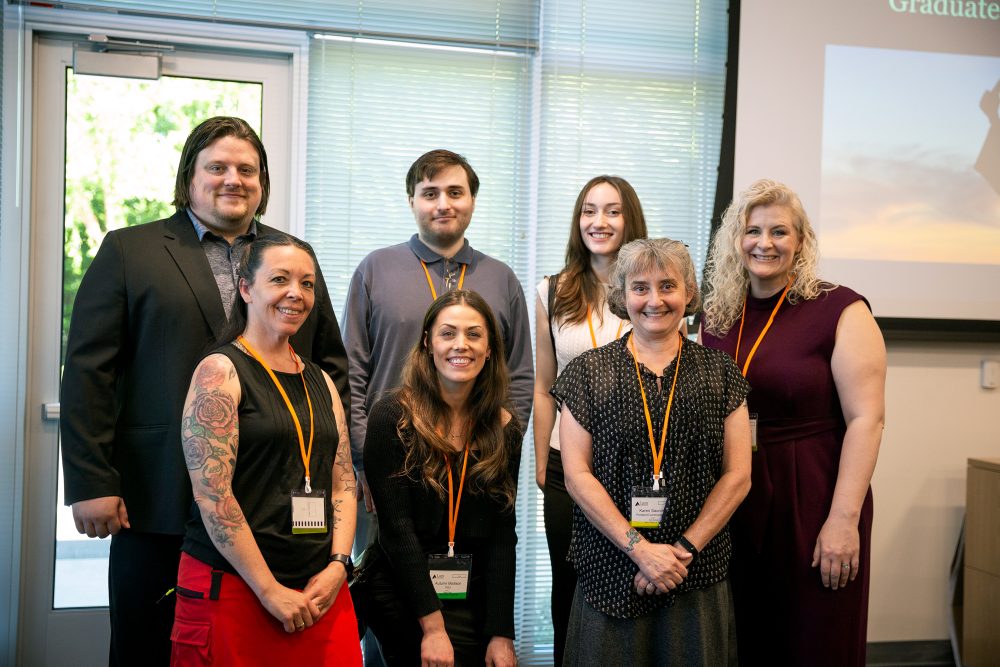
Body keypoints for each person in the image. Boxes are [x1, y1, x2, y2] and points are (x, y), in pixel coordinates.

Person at [60, 116, 350, 666]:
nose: (232, 179)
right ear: (189, 177)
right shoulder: (130, 250)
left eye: (247, 169)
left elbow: (329, 368)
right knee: (149, 647)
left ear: (263, 182)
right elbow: (88, 372)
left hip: (278, 506)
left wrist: (335, 481)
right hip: (156, 499)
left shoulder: (293, 259)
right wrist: (91, 480)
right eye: (216, 167)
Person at [341, 149, 532, 661]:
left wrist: (489, 451)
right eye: (430, 193)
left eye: (455, 191)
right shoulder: (375, 269)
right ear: (412, 201)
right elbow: (351, 372)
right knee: (389, 605)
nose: (443, 203)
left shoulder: (501, 278)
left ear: (472, 200)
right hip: (389, 465)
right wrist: (364, 465)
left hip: (471, 467)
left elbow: (520, 375)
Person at [700, 178, 886, 667]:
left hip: (814, 493)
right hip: (737, 491)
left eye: (779, 231)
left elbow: (867, 418)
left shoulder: (841, 308)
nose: (765, 243)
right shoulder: (718, 315)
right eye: (752, 230)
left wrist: (843, 520)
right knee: (745, 636)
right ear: (734, 240)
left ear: (801, 240)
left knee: (813, 636)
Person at [552, 238, 751, 665]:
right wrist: (640, 550)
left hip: (694, 570)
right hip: (610, 568)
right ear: (622, 296)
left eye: (667, 286)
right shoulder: (586, 373)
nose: (654, 300)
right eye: (640, 287)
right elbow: (576, 476)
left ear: (689, 294)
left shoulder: (721, 373)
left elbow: (739, 476)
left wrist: (681, 550)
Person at [172, 234, 360, 665]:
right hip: (238, 589)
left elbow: (344, 481)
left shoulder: (322, 381)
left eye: (308, 283)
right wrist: (269, 589)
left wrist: (338, 566)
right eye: (280, 279)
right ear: (246, 288)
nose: (296, 293)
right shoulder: (220, 371)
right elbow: (212, 495)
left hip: (319, 592)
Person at [356, 290, 520, 667]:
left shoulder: (504, 428)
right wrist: (433, 630)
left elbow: (501, 536)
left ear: (491, 348)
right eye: (448, 333)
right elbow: (397, 532)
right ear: (428, 343)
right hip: (401, 586)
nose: (461, 345)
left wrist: (501, 633)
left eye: (474, 334)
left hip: (468, 589)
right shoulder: (391, 419)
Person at [532, 175, 647, 665]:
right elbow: (542, 387)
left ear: (630, 220)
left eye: (613, 211)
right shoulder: (552, 291)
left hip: (637, 467)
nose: (599, 222)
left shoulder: (650, 290)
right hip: (567, 466)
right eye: (589, 211)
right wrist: (540, 463)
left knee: (632, 586)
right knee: (570, 585)